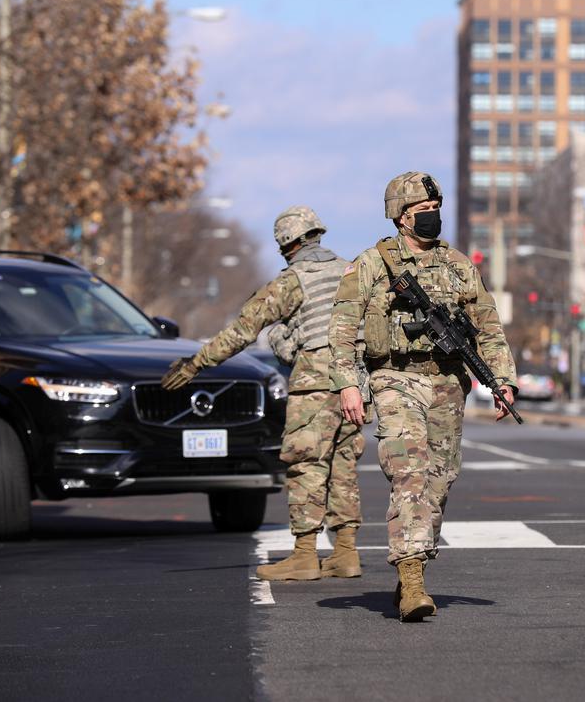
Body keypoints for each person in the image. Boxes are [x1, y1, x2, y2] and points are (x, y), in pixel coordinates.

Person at [328, 172, 517, 622]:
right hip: (394, 378)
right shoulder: (372, 264)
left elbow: (488, 325)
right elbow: (341, 328)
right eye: (421, 212)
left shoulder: (457, 265)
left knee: (439, 480)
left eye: (435, 210)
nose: (431, 218)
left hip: (448, 384)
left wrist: (502, 380)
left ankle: (413, 562)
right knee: (408, 473)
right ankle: (413, 583)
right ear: (400, 216)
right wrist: (348, 384)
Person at [161, 206, 365, 581]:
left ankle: (304, 556)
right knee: (342, 464)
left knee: (305, 462)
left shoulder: (294, 279)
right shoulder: (352, 270)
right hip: (355, 383)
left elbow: (244, 328)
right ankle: (346, 553)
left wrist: (196, 364)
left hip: (316, 384)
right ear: (317, 234)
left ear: (287, 244)